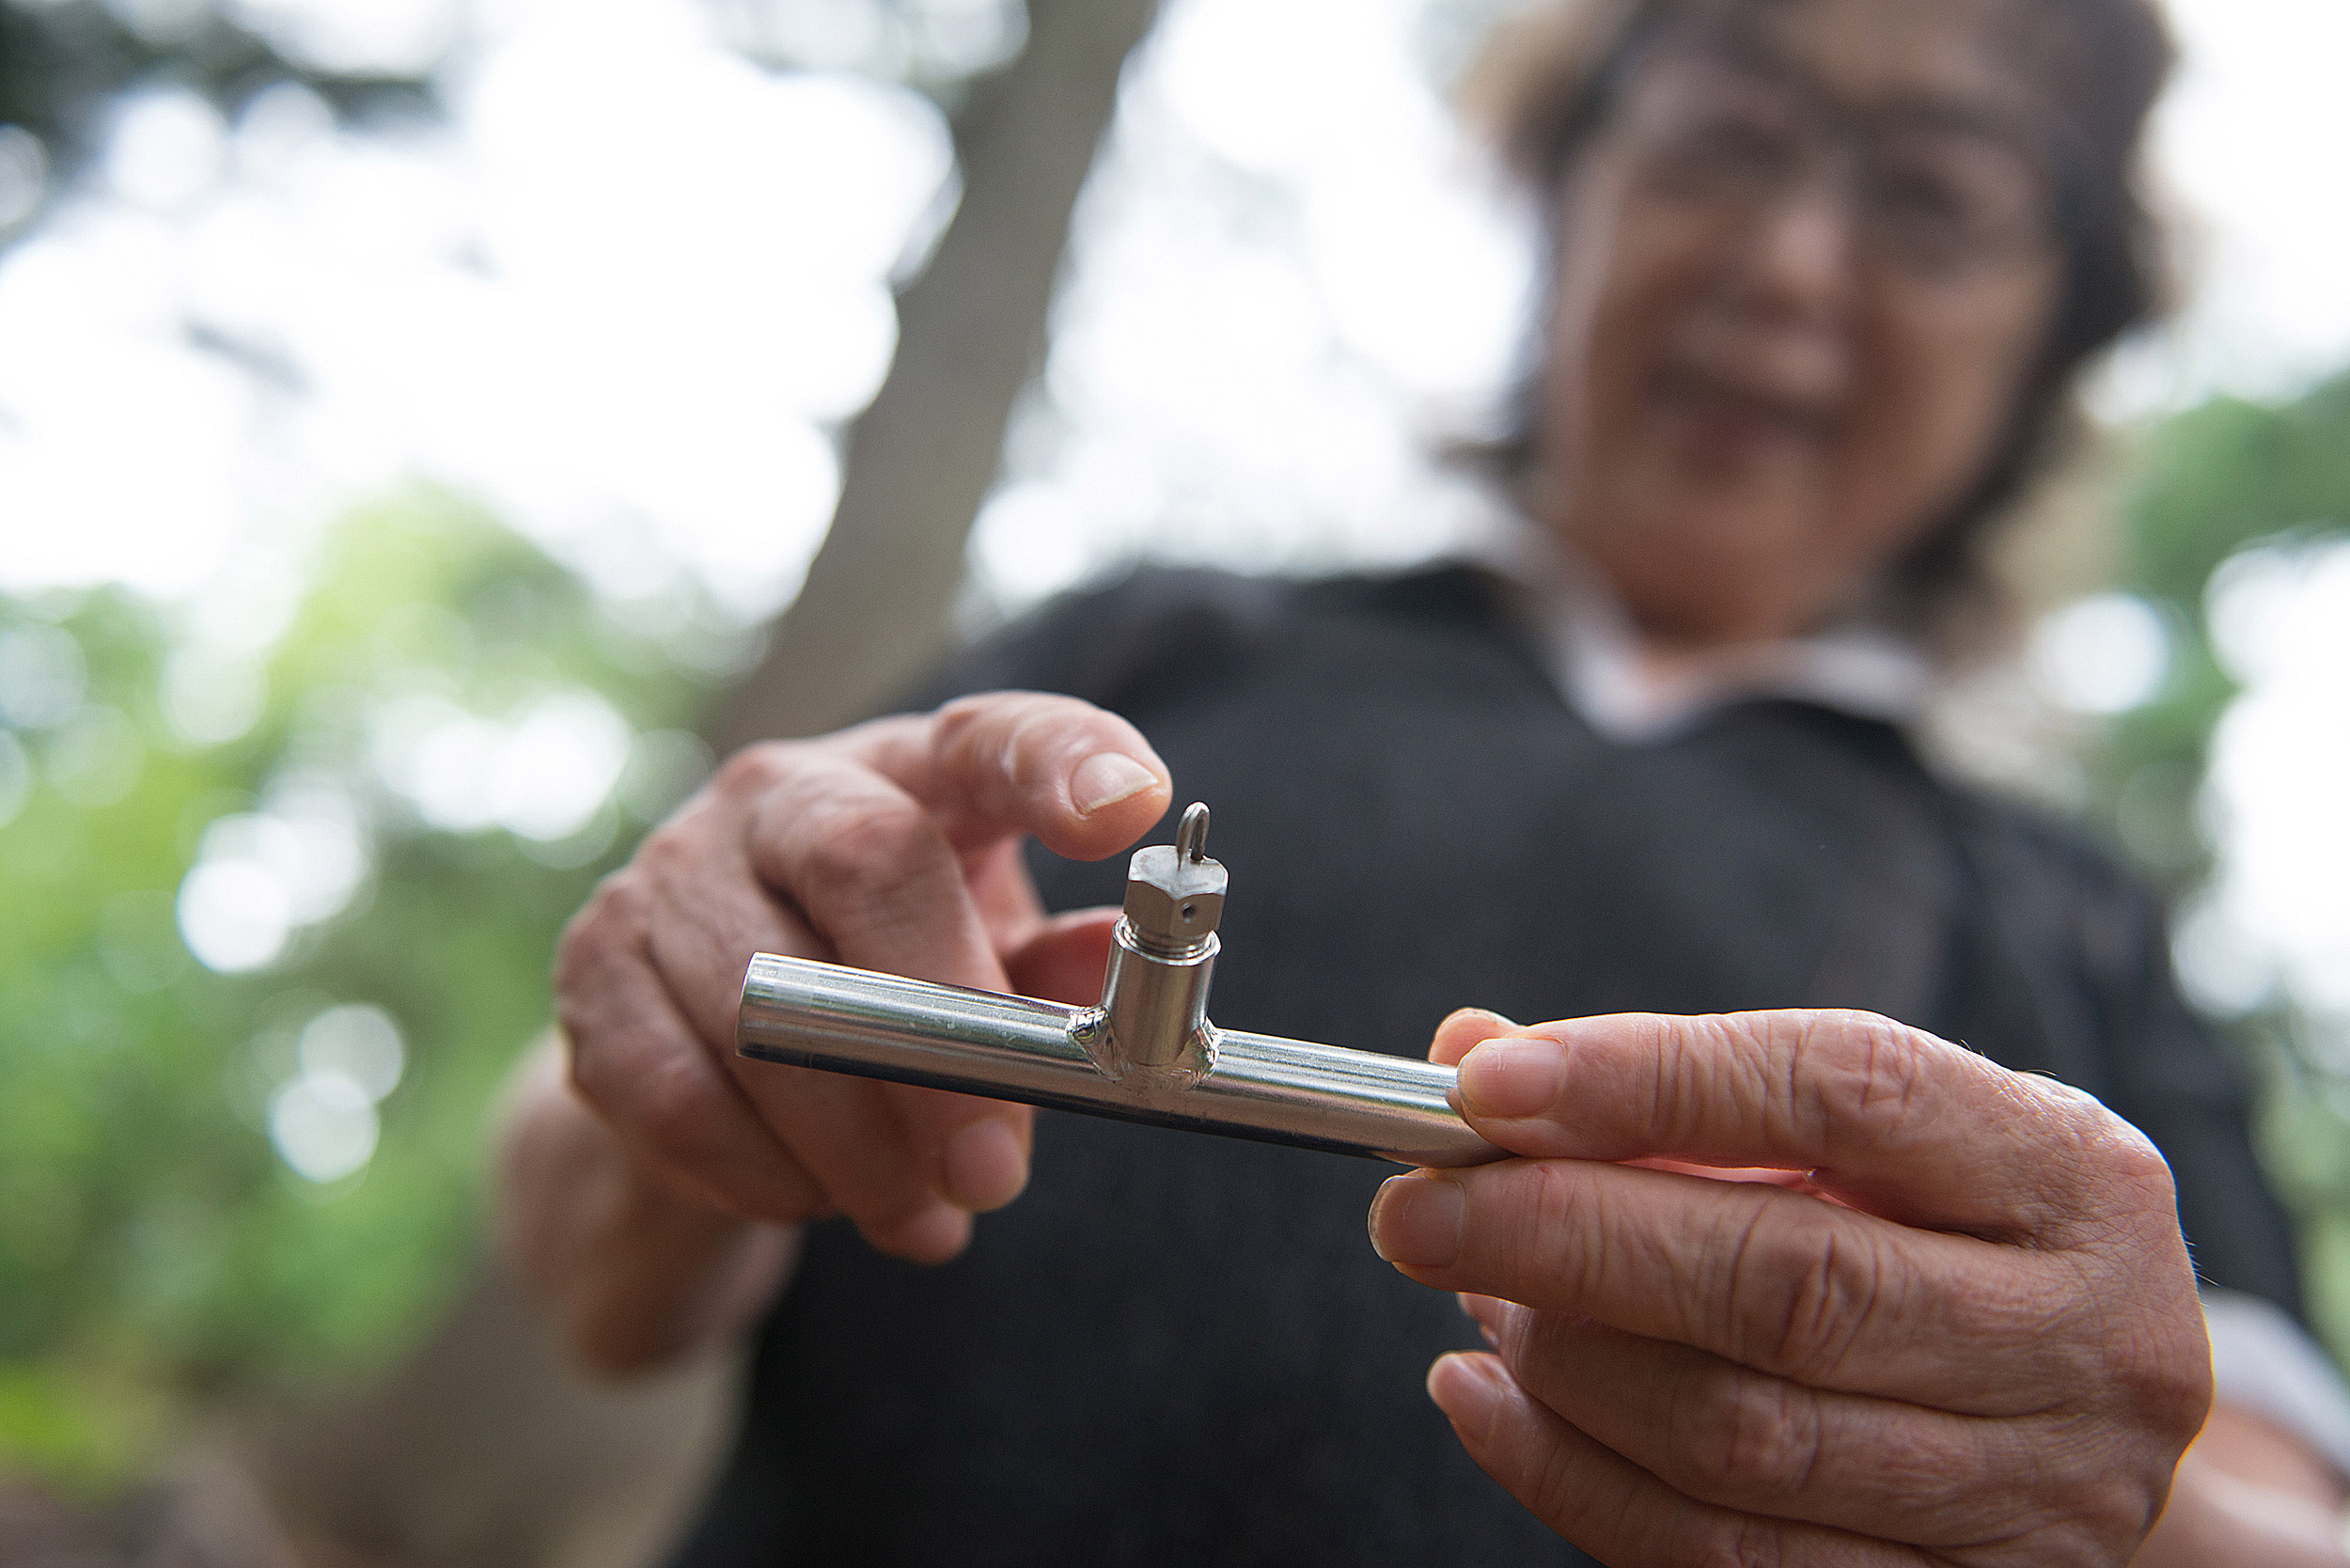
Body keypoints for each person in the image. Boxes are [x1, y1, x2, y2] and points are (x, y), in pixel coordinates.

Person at [498, 0, 2350, 1560]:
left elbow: (2279, 1498)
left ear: (2047, 345)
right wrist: (691, 1033)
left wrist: (2128, 1503)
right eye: (1721, 139)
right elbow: (596, 1261)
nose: (1786, 260)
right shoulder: (1146, 651)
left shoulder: (2066, 914)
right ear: (1569, 181)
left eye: (1931, 203)